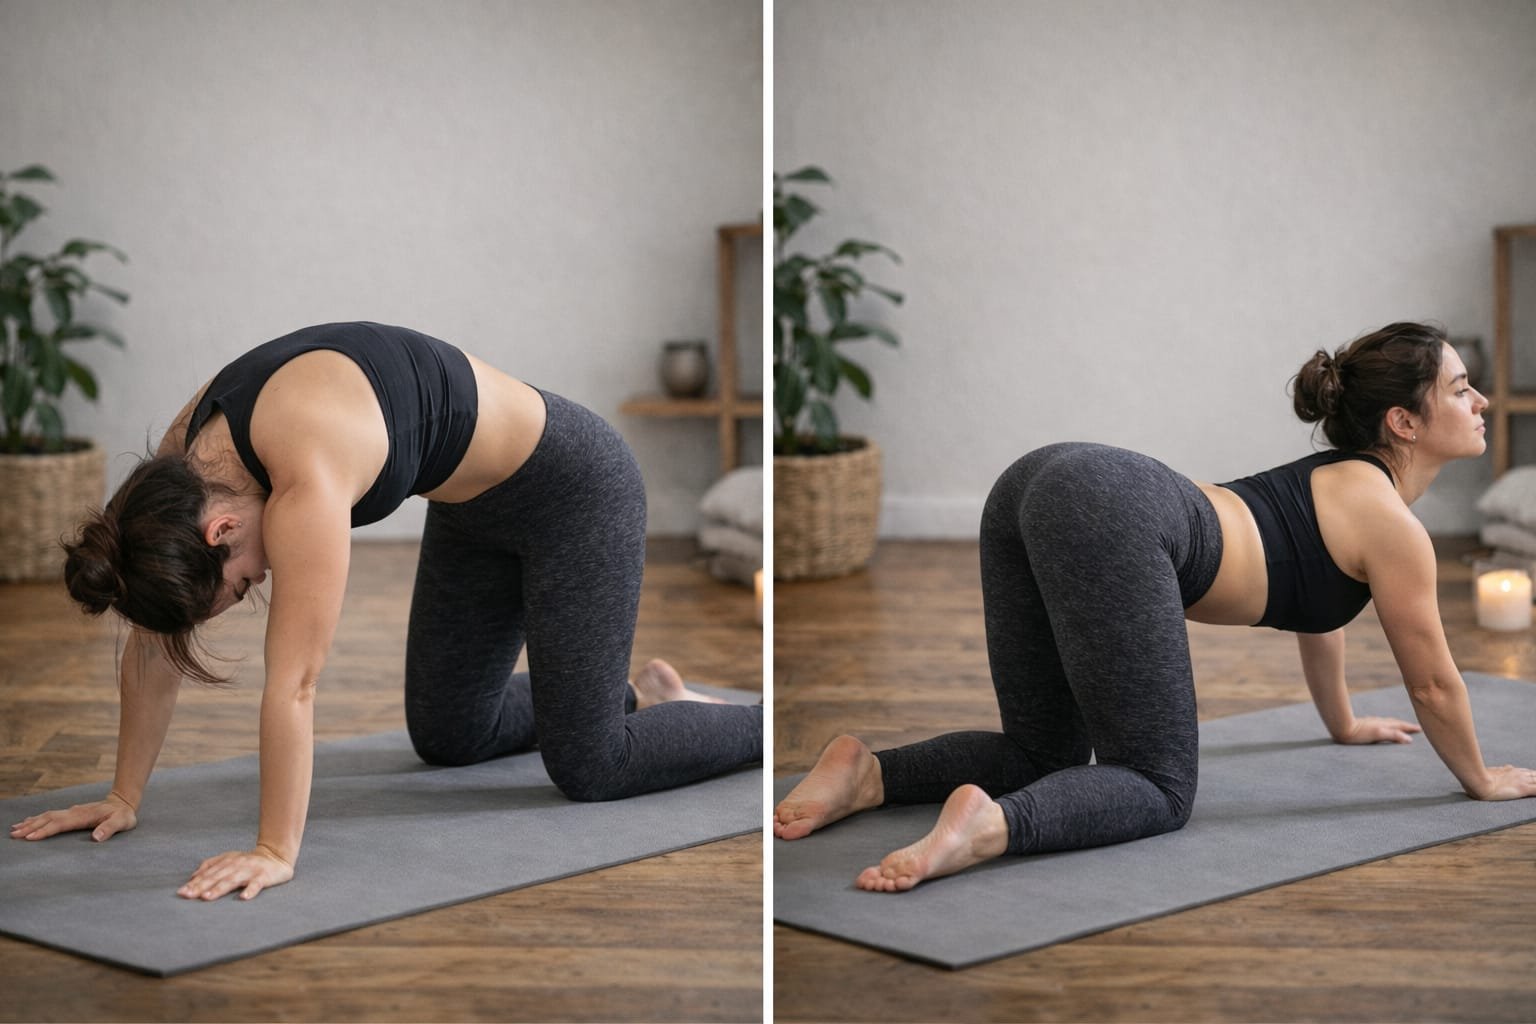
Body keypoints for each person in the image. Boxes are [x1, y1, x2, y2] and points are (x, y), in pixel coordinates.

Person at [8, 321, 763, 901]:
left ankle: (744, 717)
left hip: (575, 494)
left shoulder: (306, 473)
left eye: (239, 586)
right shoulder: (175, 481)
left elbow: (294, 685)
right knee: (449, 733)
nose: (256, 583)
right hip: (473, 512)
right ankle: (626, 695)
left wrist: (274, 850)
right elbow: (151, 633)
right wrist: (123, 794)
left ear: (223, 530)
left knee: (593, 765)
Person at [774, 321, 1536, 892]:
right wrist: (1480, 778)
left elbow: (1322, 615)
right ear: (1403, 422)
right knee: (1157, 785)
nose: (1481, 400)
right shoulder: (1393, 526)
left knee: (1042, 753)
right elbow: (1434, 682)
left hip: (1040, 476)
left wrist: (1341, 722)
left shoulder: (1342, 482)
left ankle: (867, 772)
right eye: (1461, 387)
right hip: (1114, 507)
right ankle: (991, 824)